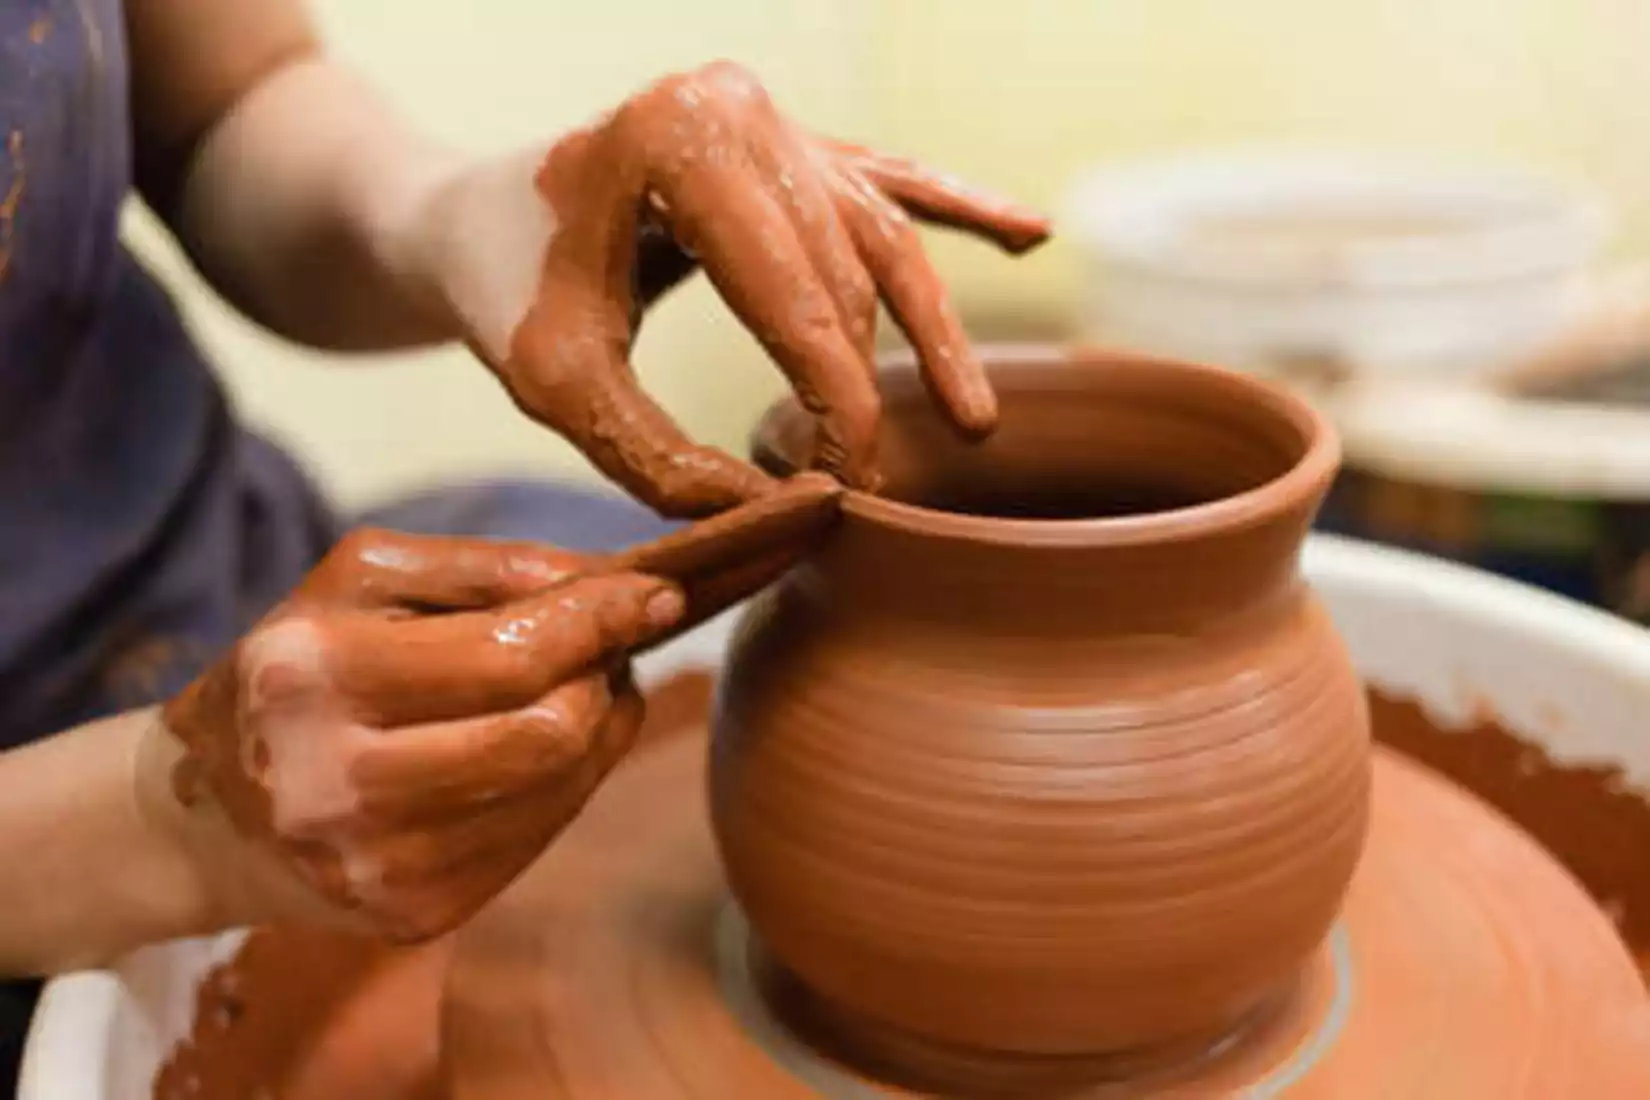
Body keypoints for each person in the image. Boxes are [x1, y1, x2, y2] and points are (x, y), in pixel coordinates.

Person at [0, 0, 1048, 1087]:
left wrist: (450, 216)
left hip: (231, 576)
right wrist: (159, 817)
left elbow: (229, 106)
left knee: (726, 623)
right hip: (53, 849)